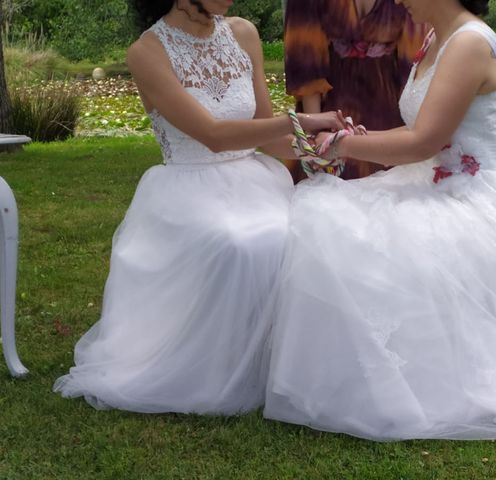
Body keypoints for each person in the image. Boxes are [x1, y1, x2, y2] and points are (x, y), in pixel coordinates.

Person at [265, 0, 496, 440]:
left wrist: (342, 146)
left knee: (340, 231)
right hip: (428, 181)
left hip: (468, 196)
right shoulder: (434, 37)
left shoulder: (470, 44)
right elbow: (419, 133)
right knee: (326, 217)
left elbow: (423, 141)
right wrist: (355, 138)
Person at [53, 0, 344, 414]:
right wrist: (298, 122)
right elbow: (213, 135)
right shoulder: (147, 52)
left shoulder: (243, 33)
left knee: (306, 230)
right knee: (241, 242)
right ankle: (224, 366)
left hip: (255, 180)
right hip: (189, 188)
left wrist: (322, 150)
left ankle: (292, 365)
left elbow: (271, 140)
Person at [284, 0, 427, 181]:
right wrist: (317, 136)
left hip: (389, 113)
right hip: (331, 112)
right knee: (325, 193)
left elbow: (414, 64)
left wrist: (409, 129)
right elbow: (306, 60)